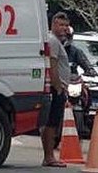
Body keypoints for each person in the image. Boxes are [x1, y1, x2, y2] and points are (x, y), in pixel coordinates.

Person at [41, 16, 71, 168]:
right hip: (55, 88)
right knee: (51, 123)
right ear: (53, 24)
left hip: (59, 88)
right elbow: (52, 65)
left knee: (52, 123)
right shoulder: (52, 41)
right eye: (61, 25)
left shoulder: (58, 42)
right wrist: (58, 88)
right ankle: (49, 157)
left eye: (66, 25)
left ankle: (49, 156)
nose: (64, 28)